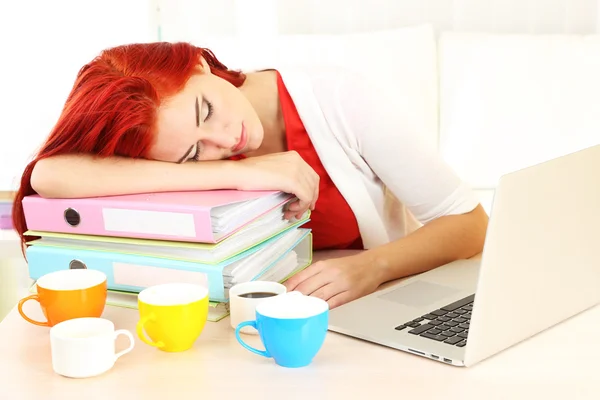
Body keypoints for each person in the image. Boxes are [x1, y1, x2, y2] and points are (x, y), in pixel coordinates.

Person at [12, 42, 488, 309]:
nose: (225, 141)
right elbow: (51, 174)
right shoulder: (175, 144)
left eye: (207, 110)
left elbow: (470, 224)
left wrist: (372, 267)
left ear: (200, 64)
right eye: (195, 152)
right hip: (235, 319)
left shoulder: (340, 98)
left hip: (353, 308)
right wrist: (246, 173)